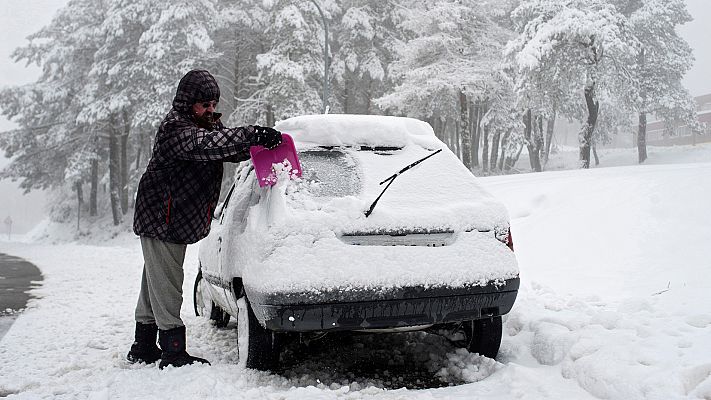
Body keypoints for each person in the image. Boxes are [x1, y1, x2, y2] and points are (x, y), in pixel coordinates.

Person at [127, 69, 282, 369]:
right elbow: (210, 145)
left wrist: (258, 145)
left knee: (156, 280)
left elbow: (227, 146)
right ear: (188, 103)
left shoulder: (205, 123)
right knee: (169, 282)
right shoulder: (176, 128)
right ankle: (172, 351)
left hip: (172, 216)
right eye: (204, 105)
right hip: (162, 216)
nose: (211, 110)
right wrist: (254, 134)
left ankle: (143, 345)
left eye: (213, 104)